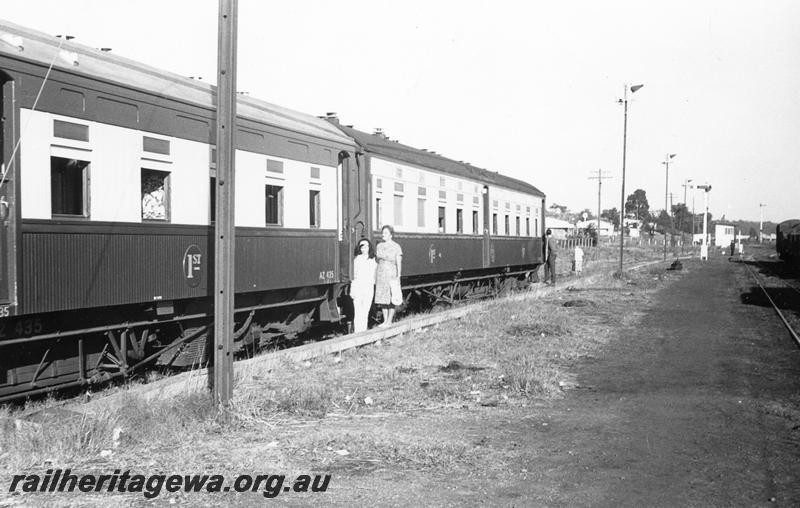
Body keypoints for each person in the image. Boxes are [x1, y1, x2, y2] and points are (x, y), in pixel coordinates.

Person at [375, 225, 403, 326]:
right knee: (382, 298)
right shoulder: (379, 246)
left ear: (391, 235)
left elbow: (398, 262)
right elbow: (377, 260)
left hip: (391, 273)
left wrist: (398, 275)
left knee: (391, 298)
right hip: (381, 273)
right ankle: (385, 320)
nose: (383, 235)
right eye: (383, 233)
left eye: (385, 233)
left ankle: (389, 321)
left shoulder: (396, 246)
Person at [350, 238, 377, 333]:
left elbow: (375, 275)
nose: (364, 248)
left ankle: (363, 333)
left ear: (369, 247)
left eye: (366, 246)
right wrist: (352, 289)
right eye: (362, 246)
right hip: (358, 287)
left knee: (365, 312)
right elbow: (354, 276)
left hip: (369, 287)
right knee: (358, 312)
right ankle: (357, 333)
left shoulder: (373, 260)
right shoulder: (357, 259)